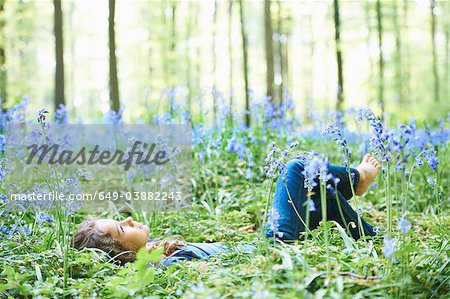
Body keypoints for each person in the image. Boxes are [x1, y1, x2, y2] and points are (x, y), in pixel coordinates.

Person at [72, 154, 380, 266]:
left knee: (322, 196)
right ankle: (357, 178)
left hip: (266, 245)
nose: (127, 219)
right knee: (296, 169)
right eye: (121, 229)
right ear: (124, 254)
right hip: (273, 248)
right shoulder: (159, 268)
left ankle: (372, 237)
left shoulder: (158, 252)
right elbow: (207, 271)